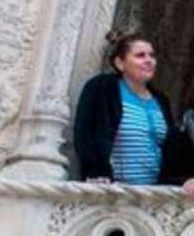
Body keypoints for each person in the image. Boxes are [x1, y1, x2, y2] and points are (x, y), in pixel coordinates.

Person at [73, 30, 178, 184]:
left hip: (154, 195)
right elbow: (85, 132)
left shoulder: (161, 100)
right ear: (120, 63)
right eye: (140, 55)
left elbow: (170, 147)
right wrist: (95, 170)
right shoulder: (102, 87)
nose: (149, 60)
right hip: (112, 191)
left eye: (152, 55)